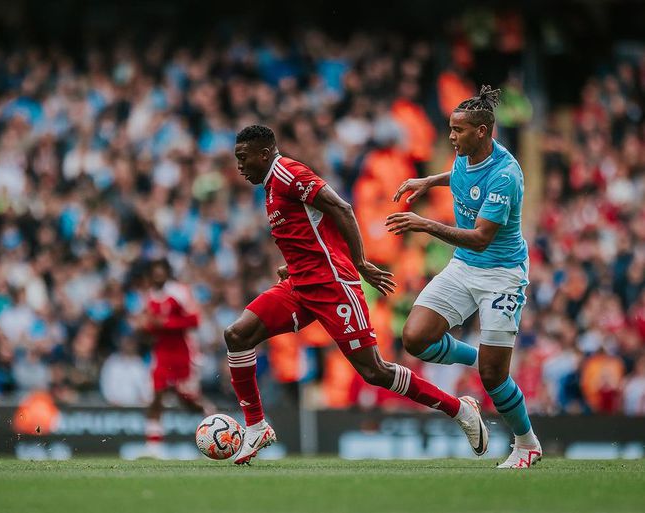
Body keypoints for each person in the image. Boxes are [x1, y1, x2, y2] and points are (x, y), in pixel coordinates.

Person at [226, 125, 488, 465]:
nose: (239, 166)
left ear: (264, 154)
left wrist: (361, 262)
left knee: (374, 371)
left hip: (333, 285)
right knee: (237, 335)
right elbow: (313, 232)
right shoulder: (270, 185)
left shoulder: (288, 173)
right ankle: (257, 426)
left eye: (243, 158)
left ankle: (460, 410)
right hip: (302, 285)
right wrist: (293, 267)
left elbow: (342, 208)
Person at [387, 85, 541, 469]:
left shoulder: (505, 175)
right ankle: (481, 357)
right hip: (464, 266)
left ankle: (527, 444)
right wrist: (429, 182)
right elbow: (460, 174)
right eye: (451, 129)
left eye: (458, 130)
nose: (451, 136)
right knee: (415, 337)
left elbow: (480, 237)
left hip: (502, 275)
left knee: (493, 378)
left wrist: (425, 224)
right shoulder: (466, 154)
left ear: (483, 131)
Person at [140, 258, 213, 457]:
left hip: (182, 351)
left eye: (161, 271)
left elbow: (195, 319)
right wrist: (146, 326)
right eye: (154, 272)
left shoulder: (179, 292)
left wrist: (166, 323)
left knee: (188, 399)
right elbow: (150, 326)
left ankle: (215, 423)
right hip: (162, 352)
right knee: (156, 395)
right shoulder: (149, 296)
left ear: (166, 273)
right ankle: (153, 446)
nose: (157, 276)